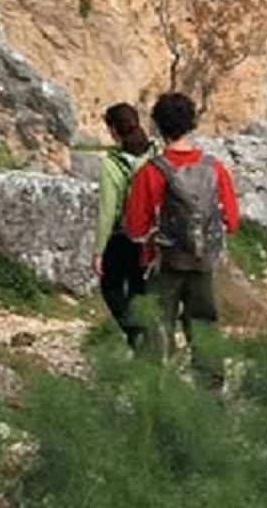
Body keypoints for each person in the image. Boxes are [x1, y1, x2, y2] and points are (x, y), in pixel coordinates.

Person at [123, 92, 240, 359]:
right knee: (205, 329)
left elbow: (135, 228)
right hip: (203, 263)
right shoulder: (215, 169)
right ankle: (210, 391)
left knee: (156, 328)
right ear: (191, 125)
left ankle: (158, 390)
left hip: (163, 263)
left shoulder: (149, 172)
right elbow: (231, 221)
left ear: (158, 126)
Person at [92, 103, 154, 349]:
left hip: (124, 235)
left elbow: (107, 211)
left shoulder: (112, 164)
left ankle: (136, 335)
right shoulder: (154, 154)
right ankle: (145, 341)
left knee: (111, 286)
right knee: (139, 288)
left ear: (114, 131)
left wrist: (98, 251)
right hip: (151, 234)